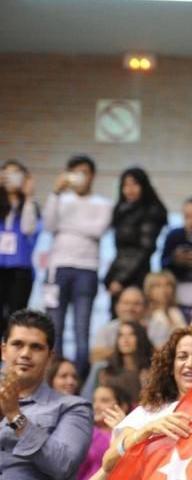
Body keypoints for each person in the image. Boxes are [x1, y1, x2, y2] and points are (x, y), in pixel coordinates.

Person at [0, 310, 92, 480]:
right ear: (3, 350)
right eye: (18, 344)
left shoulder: (73, 407)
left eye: (36, 347)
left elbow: (62, 464)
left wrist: (15, 416)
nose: (25, 353)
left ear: (50, 357)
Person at [100, 325, 192, 475]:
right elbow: (108, 463)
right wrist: (145, 431)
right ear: (171, 366)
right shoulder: (147, 412)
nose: (190, 364)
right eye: (182, 357)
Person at [43, 154, 114, 380]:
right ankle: (55, 376)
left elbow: (98, 230)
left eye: (84, 172)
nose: (79, 177)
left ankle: (79, 378)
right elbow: (48, 224)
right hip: (58, 268)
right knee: (54, 328)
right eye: (74, 172)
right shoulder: (59, 199)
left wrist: (67, 226)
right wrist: (55, 193)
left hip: (87, 269)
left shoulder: (103, 203)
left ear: (92, 175)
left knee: (82, 329)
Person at [104, 167, 168, 306]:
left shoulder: (150, 212)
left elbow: (145, 250)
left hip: (137, 275)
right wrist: (109, 278)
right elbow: (121, 252)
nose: (129, 189)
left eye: (134, 184)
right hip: (119, 273)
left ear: (143, 186)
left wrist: (121, 279)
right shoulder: (121, 211)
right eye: (125, 185)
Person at [0, 160, 40, 334]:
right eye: (7, 174)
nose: (11, 179)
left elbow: (28, 228)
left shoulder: (30, 205)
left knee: (15, 317)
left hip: (20, 269)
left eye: (16, 174)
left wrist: (29, 196)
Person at [90, 286, 169, 363]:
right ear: (117, 307)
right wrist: (124, 350)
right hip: (116, 372)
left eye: (136, 304)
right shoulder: (107, 329)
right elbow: (94, 357)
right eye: (125, 303)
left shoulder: (158, 327)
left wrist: (142, 340)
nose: (130, 308)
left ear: (146, 308)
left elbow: (165, 355)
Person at [83, 321, 153, 405]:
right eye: (121, 335)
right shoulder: (104, 371)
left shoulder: (150, 372)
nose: (125, 339)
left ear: (140, 338)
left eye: (131, 334)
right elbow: (87, 399)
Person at [75, 384, 129, 480]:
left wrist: (123, 429)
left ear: (123, 406)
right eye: (94, 400)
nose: (96, 406)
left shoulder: (134, 432)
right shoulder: (85, 431)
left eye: (104, 401)